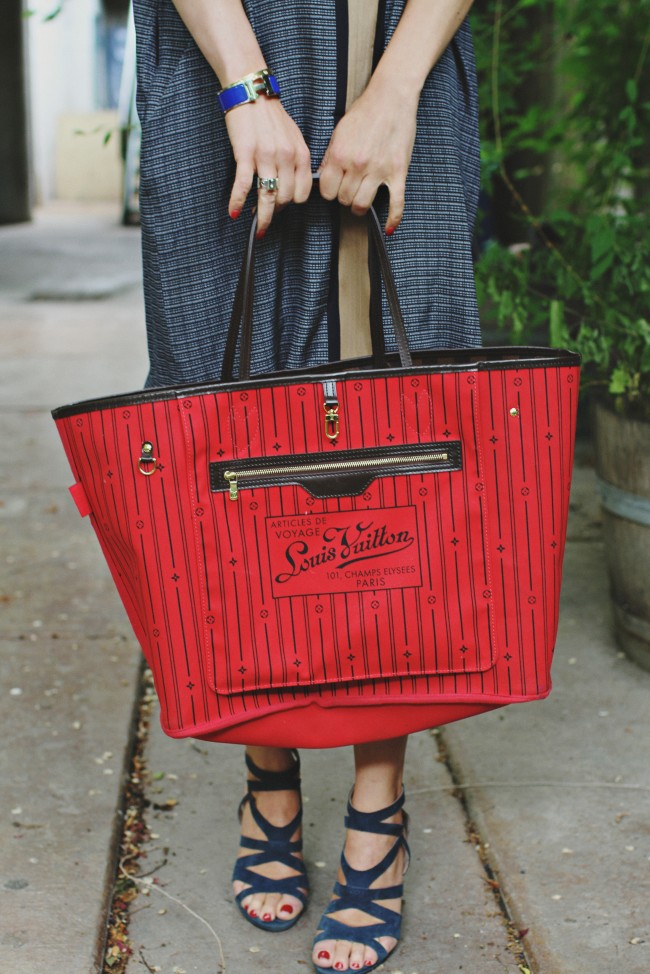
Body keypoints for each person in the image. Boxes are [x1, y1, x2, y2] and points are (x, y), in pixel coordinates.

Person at [133, 1, 479, 971]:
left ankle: (378, 804)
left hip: (400, 40)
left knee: (402, 438)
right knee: (226, 425)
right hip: (218, 59)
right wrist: (242, 81)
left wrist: (397, 85)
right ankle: (268, 763)